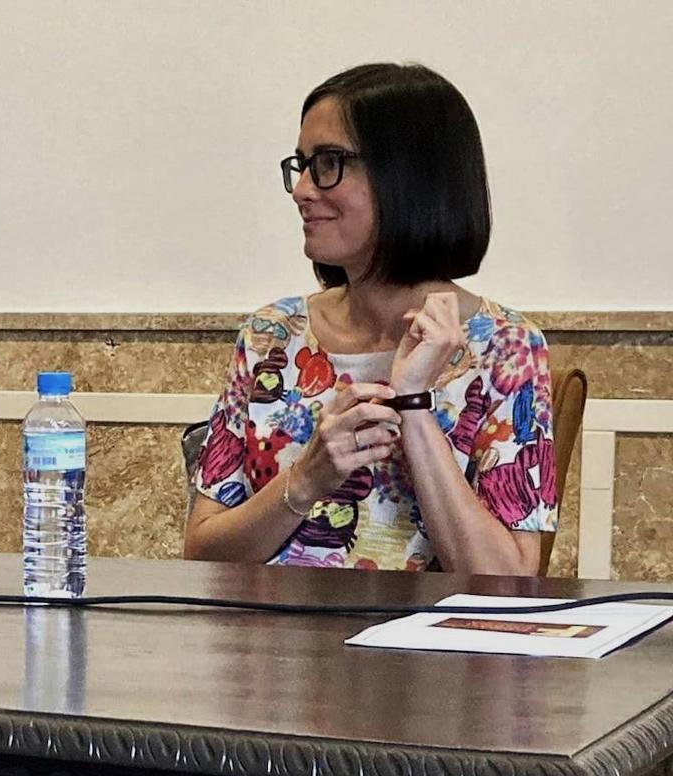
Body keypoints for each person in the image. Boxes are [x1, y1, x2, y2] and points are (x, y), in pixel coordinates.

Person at [184, 64, 554, 575]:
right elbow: (202, 557)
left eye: (329, 163)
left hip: (428, 630)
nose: (302, 190)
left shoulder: (506, 347)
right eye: (302, 165)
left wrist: (414, 403)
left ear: (409, 178)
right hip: (269, 626)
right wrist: (306, 480)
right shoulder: (271, 336)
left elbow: (507, 582)